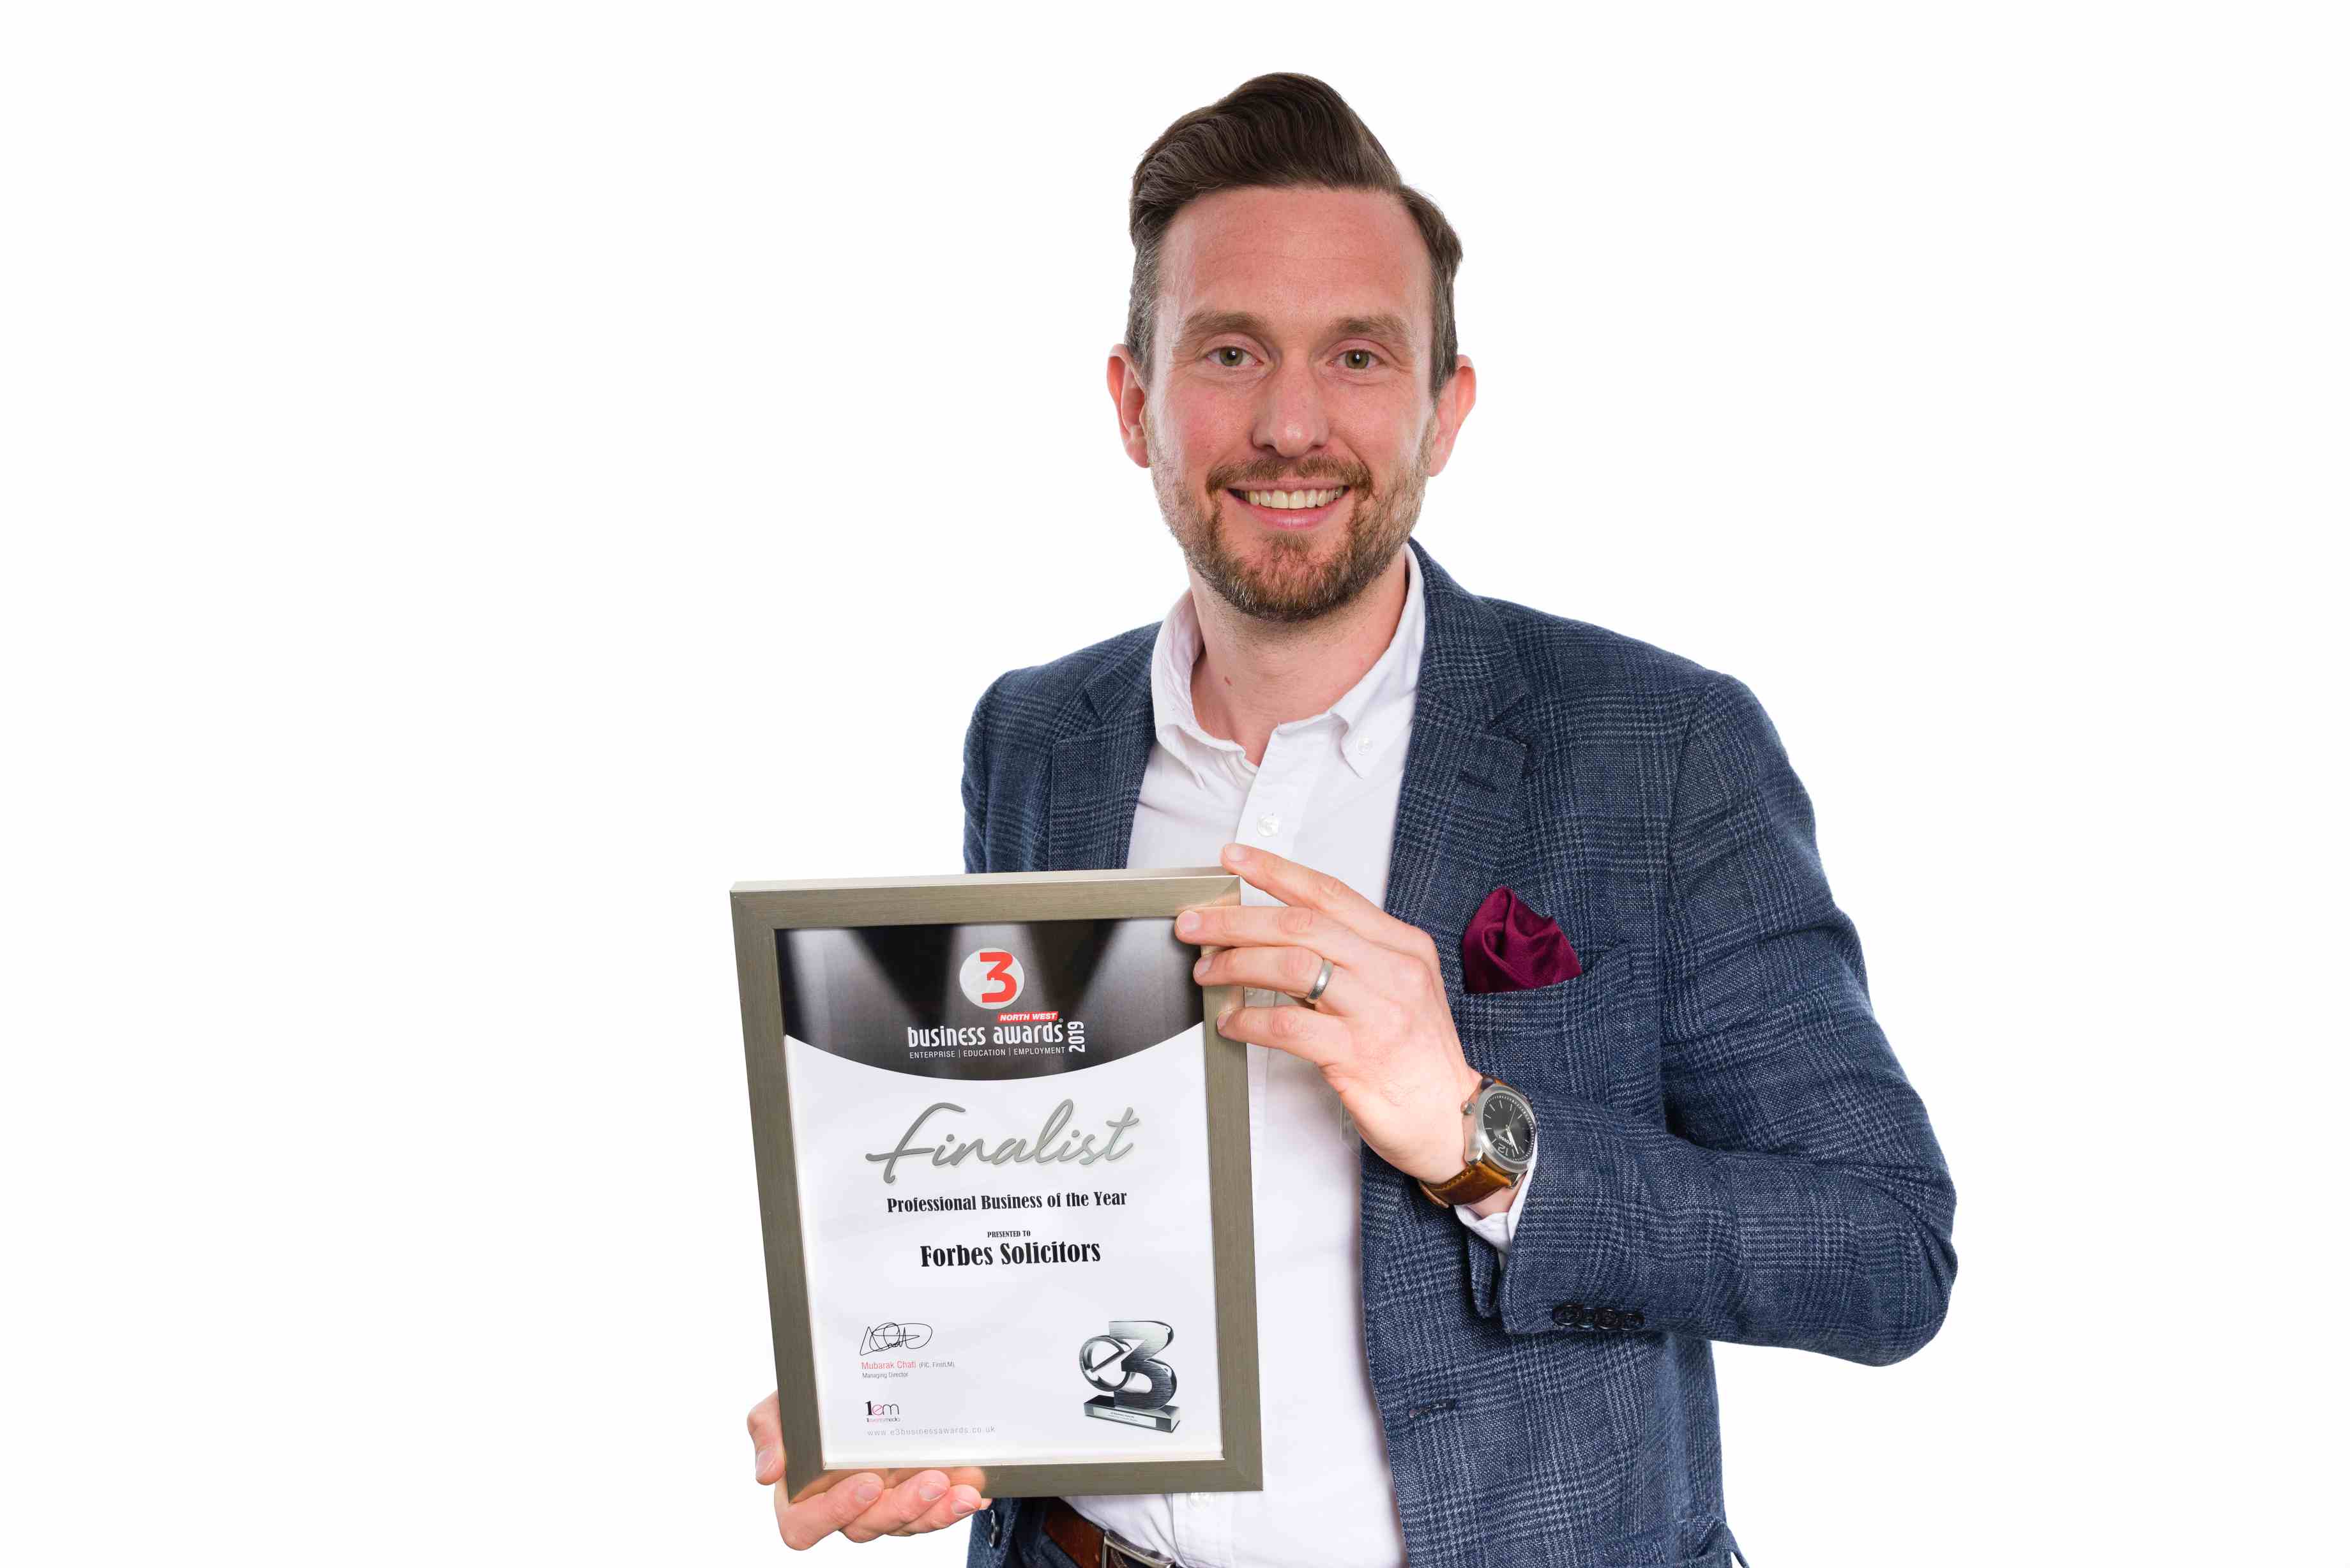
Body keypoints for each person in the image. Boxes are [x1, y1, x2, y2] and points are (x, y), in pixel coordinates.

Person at [746, 72, 1956, 1567]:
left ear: (1445, 411)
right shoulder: (1036, 737)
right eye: (1230, 351)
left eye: (1359, 356)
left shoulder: (1659, 748)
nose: (1290, 422)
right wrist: (905, 1391)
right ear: (1133, 402)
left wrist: (1473, 1134)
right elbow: (1043, 1210)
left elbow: (1882, 1251)